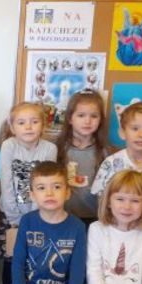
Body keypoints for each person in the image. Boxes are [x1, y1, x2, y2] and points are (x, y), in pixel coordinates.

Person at [0, 101, 57, 284]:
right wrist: (14, 217)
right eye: (21, 122)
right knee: (12, 257)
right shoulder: (9, 146)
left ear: (43, 125)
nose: (28, 127)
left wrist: (33, 217)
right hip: (10, 215)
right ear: (13, 127)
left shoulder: (49, 149)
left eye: (34, 121)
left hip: (39, 214)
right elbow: (6, 182)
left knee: (35, 257)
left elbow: (46, 183)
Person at [91, 102, 142, 230]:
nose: (141, 135)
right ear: (122, 132)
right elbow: (101, 200)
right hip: (115, 230)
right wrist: (115, 229)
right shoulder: (111, 163)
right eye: (135, 128)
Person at [55, 90, 109, 226]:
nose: (87, 121)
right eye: (81, 115)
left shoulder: (105, 152)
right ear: (70, 118)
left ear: (101, 120)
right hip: (61, 216)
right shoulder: (56, 149)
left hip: (94, 219)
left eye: (94, 116)